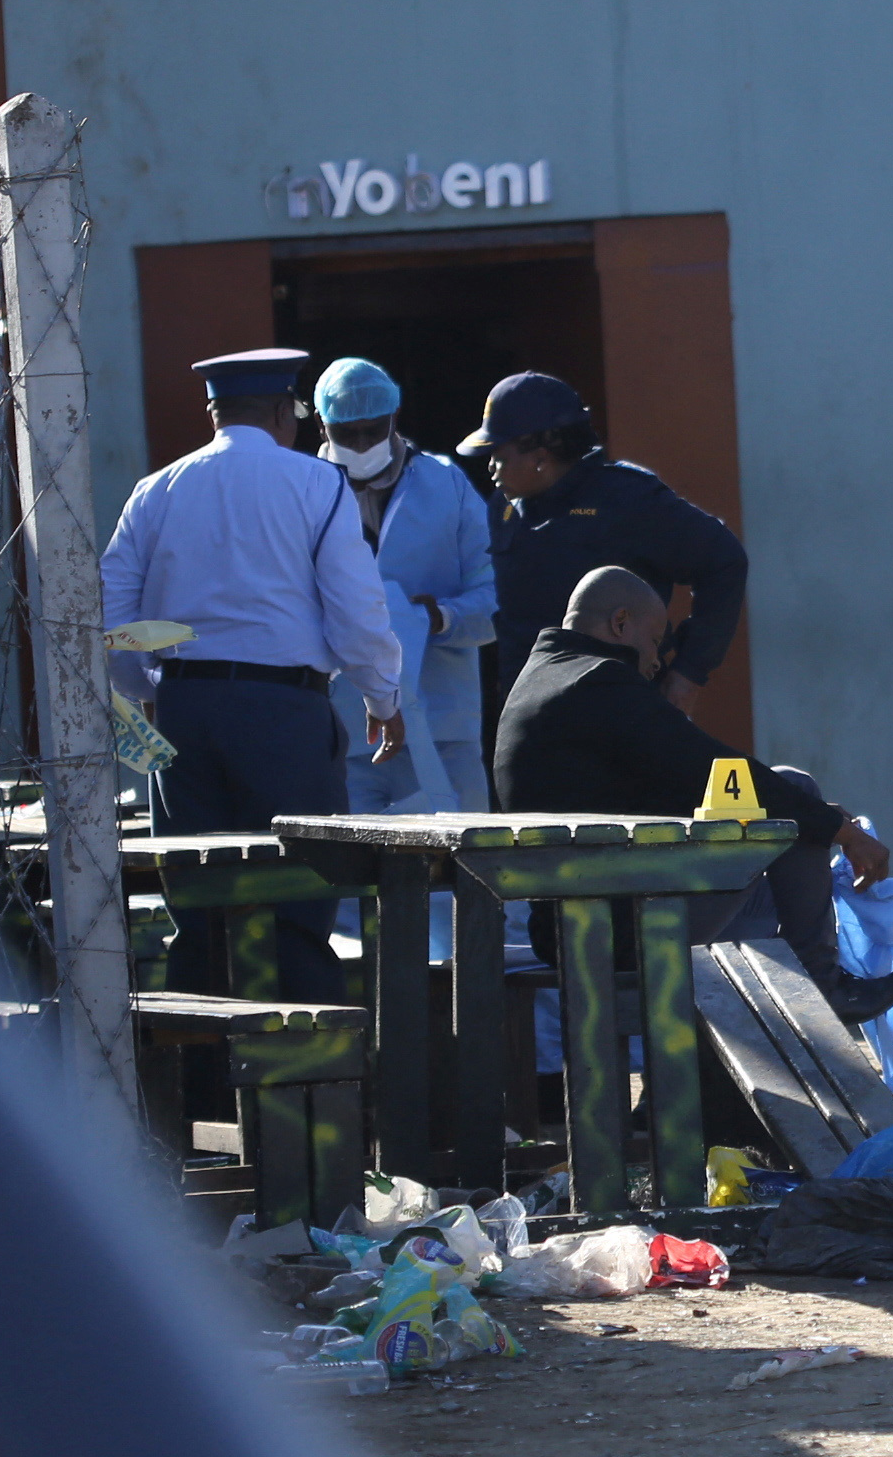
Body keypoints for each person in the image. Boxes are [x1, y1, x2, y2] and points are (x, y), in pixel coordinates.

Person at [99, 347, 408, 1002]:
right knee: (298, 905)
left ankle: (203, 1060)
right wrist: (382, 697)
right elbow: (356, 610)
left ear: (214, 413)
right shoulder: (317, 484)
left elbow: (114, 617)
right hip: (283, 713)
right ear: (280, 412)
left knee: (197, 907)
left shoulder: (155, 491)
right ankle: (305, 1060)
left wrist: (150, 692)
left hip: (183, 711)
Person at [494, 567, 893, 1025]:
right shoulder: (600, 681)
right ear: (620, 623)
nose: (656, 662)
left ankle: (753, 1040)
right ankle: (824, 988)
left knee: (789, 824)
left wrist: (810, 817)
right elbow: (710, 767)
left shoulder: (540, 679)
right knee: (794, 792)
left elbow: (660, 788)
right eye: (654, 641)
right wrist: (838, 830)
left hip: (570, 923)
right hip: (621, 928)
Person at [463, 371, 749, 719]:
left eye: (500, 456)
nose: (491, 468)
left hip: (618, 712)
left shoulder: (626, 500)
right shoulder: (504, 508)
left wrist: (689, 672)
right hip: (533, 715)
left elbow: (724, 561)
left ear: (540, 457)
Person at [311, 357, 496, 813]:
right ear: (320, 425)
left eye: (373, 431)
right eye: (346, 434)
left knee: (464, 851)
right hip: (344, 729)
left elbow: (496, 594)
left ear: (395, 416)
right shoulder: (301, 493)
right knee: (350, 855)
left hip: (443, 722)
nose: (361, 444)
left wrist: (441, 617)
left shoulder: (445, 483)